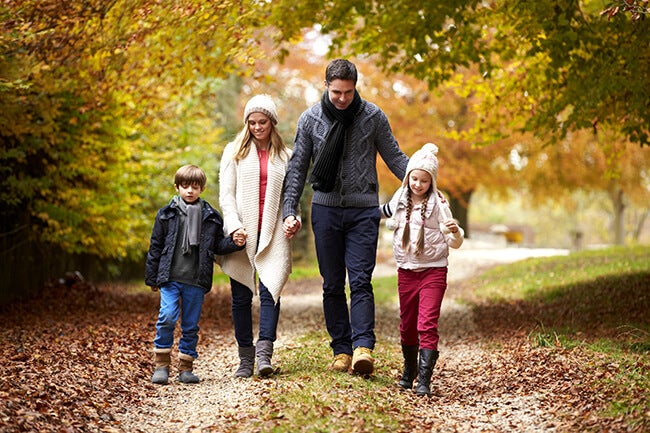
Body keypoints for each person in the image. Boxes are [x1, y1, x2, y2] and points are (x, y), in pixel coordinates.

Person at [282, 59, 409, 375]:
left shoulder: (373, 117)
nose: (342, 98)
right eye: (336, 92)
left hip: (363, 210)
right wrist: (289, 209)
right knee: (332, 284)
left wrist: (426, 184)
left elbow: (394, 157)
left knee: (362, 280)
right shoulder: (310, 119)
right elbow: (297, 168)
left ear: (356, 87)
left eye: (348, 92)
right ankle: (341, 350)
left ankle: (363, 347)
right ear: (326, 86)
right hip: (325, 210)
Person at [145, 164, 244, 385]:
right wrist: (152, 277)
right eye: (185, 186)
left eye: (195, 186)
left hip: (196, 280)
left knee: (190, 325)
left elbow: (217, 245)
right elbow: (156, 246)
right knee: (167, 317)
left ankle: (186, 368)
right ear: (177, 187)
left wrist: (235, 243)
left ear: (202, 189)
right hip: (170, 278)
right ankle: (161, 365)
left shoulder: (211, 217)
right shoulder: (166, 215)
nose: (190, 191)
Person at [379, 143, 464, 396]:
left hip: (433, 271)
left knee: (426, 324)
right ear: (407, 178)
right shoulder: (399, 199)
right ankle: (409, 370)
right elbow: (384, 216)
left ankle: (424, 379)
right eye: (414, 178)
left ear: (432, 182)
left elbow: (455, 242)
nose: (417, 184)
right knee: (407, 325)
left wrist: (455, 231)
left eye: (424, 181)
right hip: (406, 270)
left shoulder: (440, 205)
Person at [219, 94, 294, 378]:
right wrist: (234, 225)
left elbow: (291, 198)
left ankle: (264, 354)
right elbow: (226, 196)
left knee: (270, 291)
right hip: (243, 232)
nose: (257, 127)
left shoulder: (285, 156)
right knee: (240, 296)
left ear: (272, 123)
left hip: (273, 232)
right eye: (252, 122)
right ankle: (245, 358)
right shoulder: (233, 152)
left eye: (262, 122)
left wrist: (292, 218)